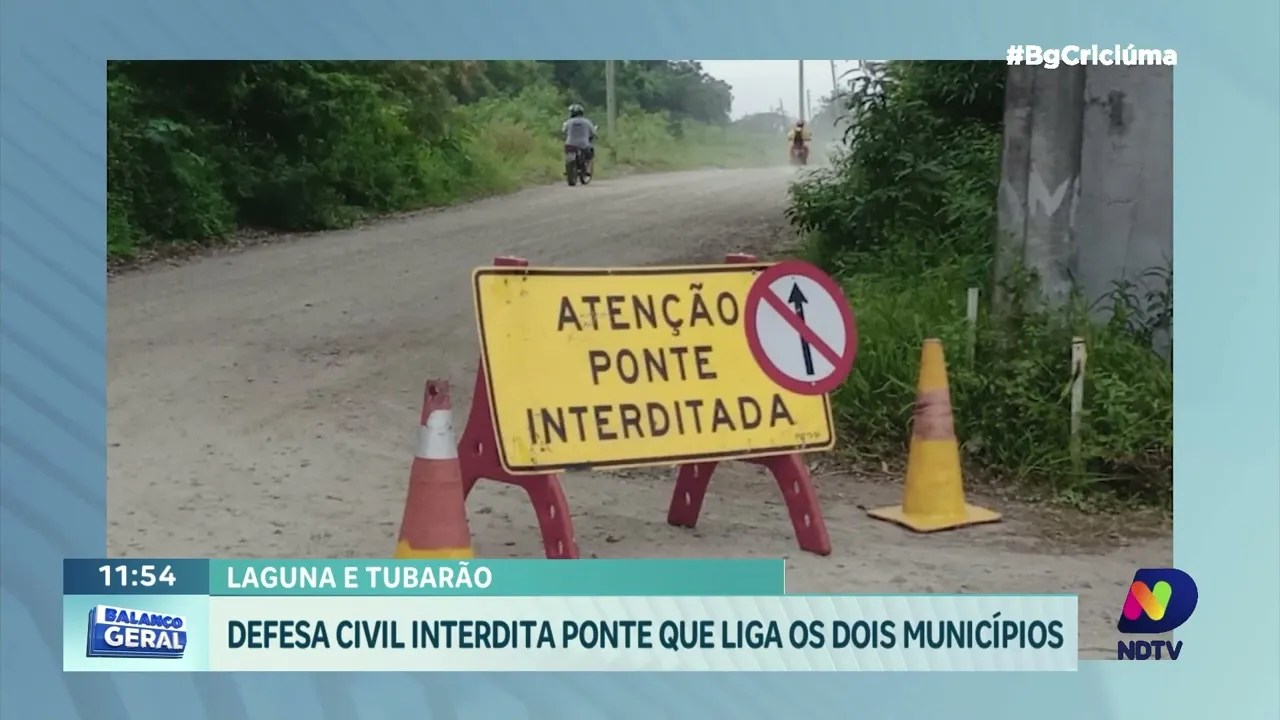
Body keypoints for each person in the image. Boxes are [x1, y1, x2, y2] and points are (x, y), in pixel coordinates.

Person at [561, 104, 598, 172]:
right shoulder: (587, 122)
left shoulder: (568, 122)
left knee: (568, 153)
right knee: (590, 154)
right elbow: (593, 132)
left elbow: (563, 131)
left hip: (570, 144)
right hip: (584, 144)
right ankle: (586, 167)